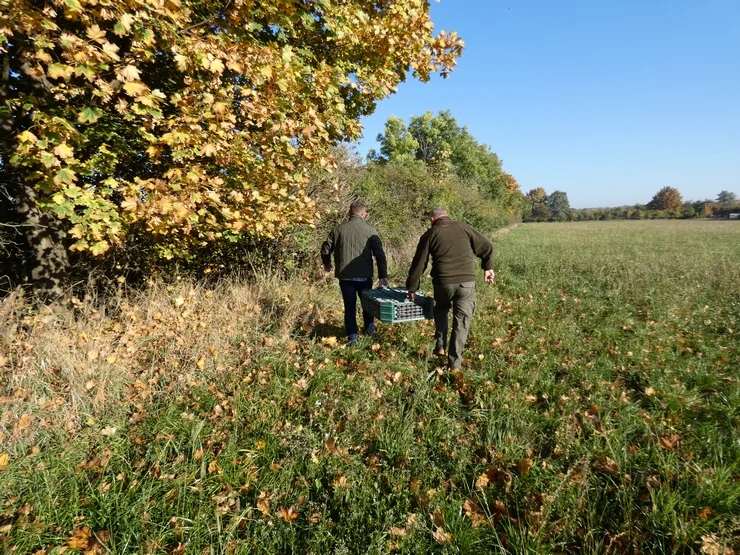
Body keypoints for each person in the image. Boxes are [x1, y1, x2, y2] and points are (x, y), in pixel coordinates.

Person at [406, 208, 495, 369]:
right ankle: (454, 364)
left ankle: (440, 346)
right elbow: (486, 246)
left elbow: (419, 263)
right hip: (466, 284)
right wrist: (487, 267)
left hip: (443, 283)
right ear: (448, 216)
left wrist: (412, 287)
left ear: (432, 220)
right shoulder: (464, 227)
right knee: (461, 322)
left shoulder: (430, 234)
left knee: (441, 308)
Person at [321, 201, 389, 344]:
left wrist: (327, 263)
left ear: (349, 213)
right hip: (365, 276)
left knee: (349, 306)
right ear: (364, 215)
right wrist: (383, 276)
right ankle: (370, 332)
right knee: (368, 305)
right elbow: (380, 255)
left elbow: (325, 249)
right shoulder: (370, 231)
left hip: (345, 277)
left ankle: (352, 338)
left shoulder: (338, 229)